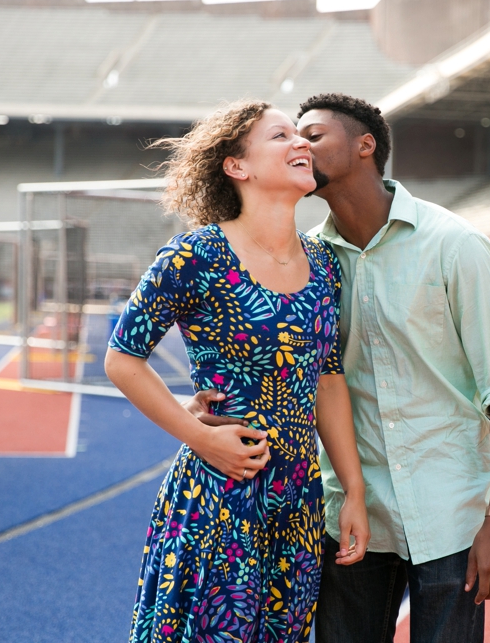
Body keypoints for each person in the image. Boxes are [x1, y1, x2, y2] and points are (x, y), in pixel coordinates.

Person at [104, 100, 369, 643]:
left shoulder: (324, 264)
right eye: (281, 136)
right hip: (221, 491)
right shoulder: (194, 256)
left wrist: (354, 491)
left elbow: (328, 380)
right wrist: (201, 440)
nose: (301, 143)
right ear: (236, 166)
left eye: (302, 135)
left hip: (297, 501)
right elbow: (122, 360)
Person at [297, 94, 490, 643]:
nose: (298, 147)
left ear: (365, 146)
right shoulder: (308, 261)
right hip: (352, 515)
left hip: (448, 514)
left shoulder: (456, 245)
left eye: (312, 135)